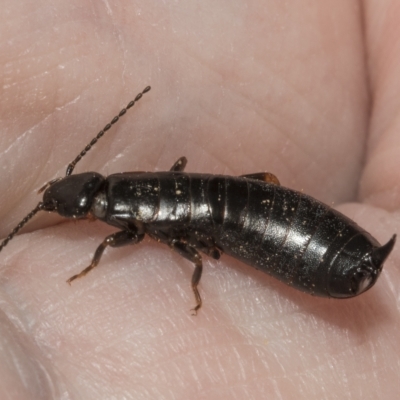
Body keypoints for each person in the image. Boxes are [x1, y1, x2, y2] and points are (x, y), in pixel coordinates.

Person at [0, 2, 398, 398]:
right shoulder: (126, 186)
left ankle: (350, 259)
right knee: (262, 188)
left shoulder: (120, 223)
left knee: (141, 243)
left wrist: (97, 266)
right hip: (242, 203)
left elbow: (133, 244)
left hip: (248, 226)